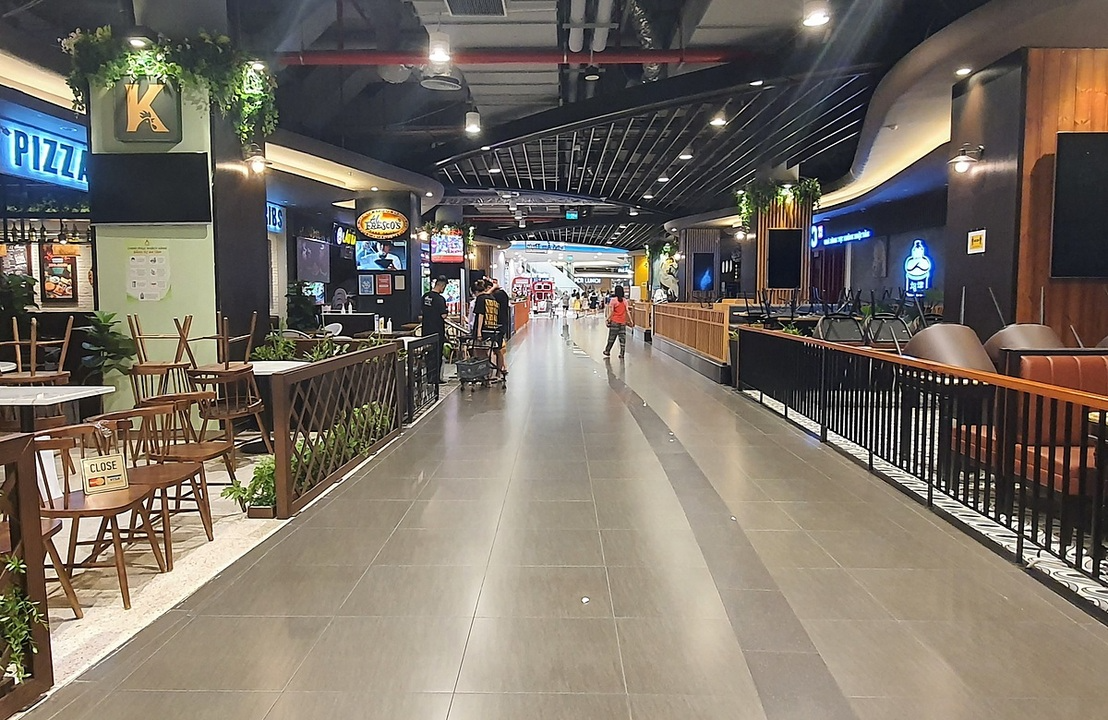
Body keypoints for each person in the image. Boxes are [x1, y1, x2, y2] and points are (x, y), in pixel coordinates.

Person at [472, 280, 507, 377]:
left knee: (480, 352)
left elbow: (480, 315)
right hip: (493, 329)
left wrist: (478, 331)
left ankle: (486, 375)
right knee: (496, 350)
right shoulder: (492, 298)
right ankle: (497, 373)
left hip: (483, 330)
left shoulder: (480, 298)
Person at [421, 276, 449, 383]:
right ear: (441, 286)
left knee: (428, 354)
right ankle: (435, 378)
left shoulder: (425, 296)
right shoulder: (440, 299)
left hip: (426, 330)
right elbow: (443, 315)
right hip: (437, 331)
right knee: (437, 355)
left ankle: (429, 377)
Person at [603, 285, 634, 358]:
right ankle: (622, 353)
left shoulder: (613, 300)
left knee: (611, 338)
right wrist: (631, 320)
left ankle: (607, 351)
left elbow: (612, 312)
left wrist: (607, 319)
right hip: (622, 322)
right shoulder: (625, 300)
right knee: (622, 339)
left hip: (614, 322)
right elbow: (627, 311)